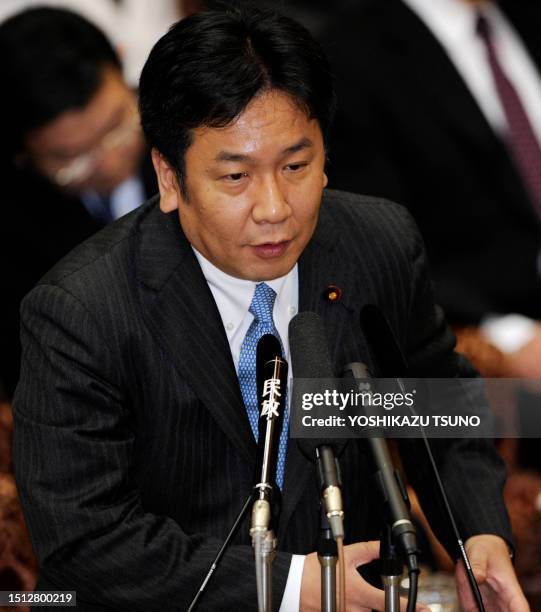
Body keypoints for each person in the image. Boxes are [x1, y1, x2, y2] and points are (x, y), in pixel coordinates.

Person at [12, 6, 527, 611]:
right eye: (235, 177)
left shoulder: (376, 244)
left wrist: (478, 535)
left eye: (296, 165)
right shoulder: (81, 312)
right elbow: (85, 543)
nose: (275, 207)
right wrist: (290, 586)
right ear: (169, 177)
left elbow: (436, 409)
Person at [323, 0, 541, 379]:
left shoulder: (525, 18)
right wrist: (508, 335)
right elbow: (381, 250)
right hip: (490, 331)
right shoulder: (352, 55)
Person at [0, 8, 158, 398]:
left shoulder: (198, 135)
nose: (107, 162)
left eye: (116, 127)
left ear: (122, 67)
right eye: (72, 158)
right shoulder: (10, 228)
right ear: (22, 154)